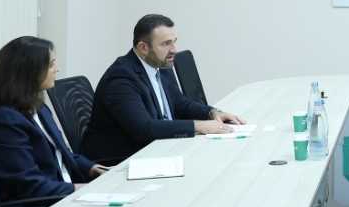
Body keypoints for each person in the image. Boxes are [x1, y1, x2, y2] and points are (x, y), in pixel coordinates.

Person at [82, 14, 243, 162]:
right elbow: (144, 129)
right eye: (166, 44)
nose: (174, 50)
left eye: (174, 41)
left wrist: (212, 113)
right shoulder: (121, 78)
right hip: (120, 162)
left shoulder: (160, 64)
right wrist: (199, 126)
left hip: (158, 149)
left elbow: (180, 104)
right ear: (143, 48)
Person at [0, 36, 107, 207]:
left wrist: (92, 168)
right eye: (51, 64)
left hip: (63, 194)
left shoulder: (38, 107)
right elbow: (27, 184)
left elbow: (62, 153)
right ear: (29, 71)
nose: (57, 69)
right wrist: (78, 189)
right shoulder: (4, 120)